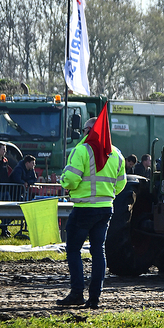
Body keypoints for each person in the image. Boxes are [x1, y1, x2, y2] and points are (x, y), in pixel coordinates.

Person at [57, 117, 126, 309]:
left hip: (84, 209)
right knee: (98, 252)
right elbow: (121, 183)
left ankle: (77, 293)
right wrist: (107, 195)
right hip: (105, 209)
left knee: (73, 250)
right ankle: (94, 297)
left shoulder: (82, 150)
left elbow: (70, 179)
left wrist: (64, 182)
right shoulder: (116, 153)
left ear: (89, 130)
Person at [0, 143, 12, 237]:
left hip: (5, 189)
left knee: (8, 209)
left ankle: (4, 229)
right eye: (3, 149)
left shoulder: (5, 161)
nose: (4, 151)